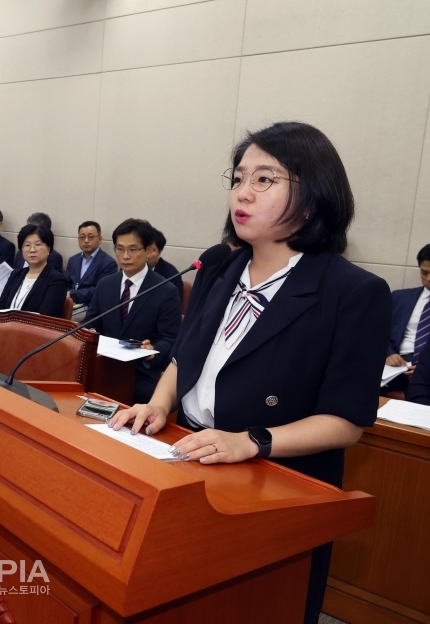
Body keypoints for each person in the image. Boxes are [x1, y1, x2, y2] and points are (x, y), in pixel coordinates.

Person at [108, 121, 391, 624]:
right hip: (188, 458)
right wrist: (157, 404)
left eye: (265, 179)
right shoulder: (220, 268)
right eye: (238, 178)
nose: (243, 192)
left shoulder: (353, 291)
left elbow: (346, 422)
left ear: (314, 193)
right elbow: (186, 358)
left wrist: (250, 441)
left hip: (275, 484)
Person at [86, 218, 181, 404]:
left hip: (142, 373)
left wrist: (154, 350)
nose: (125, 256)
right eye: (119, 249)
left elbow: (172, 339)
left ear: (148, 251)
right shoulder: (106, 284)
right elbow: (90, 324)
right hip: (105, 366)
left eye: (132, 249)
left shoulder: (165, 290)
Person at [384, 244, 430, 392]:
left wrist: (424, 369)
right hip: (397, 366)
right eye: (424, 272)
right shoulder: (400, 298)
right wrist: (388, 354)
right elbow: (376, 332)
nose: (428, 278)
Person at [0, 224, 68, 317]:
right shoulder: (16, 274)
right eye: (27, 245)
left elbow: (46, 317)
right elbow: (0, 307)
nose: (32, 250)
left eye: (38, 245)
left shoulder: (57, 280)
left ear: (49, 249)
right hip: (5, 328)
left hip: (34, 330)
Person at [65, 220, 117, 309]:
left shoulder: (109, 263)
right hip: (69, 304)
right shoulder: (73, 260)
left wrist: (72, 294)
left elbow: (100, 291)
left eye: (90, 237)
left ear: (100, 239)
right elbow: (65, 283)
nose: (86, 241)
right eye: (82, 237)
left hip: (91, 307)